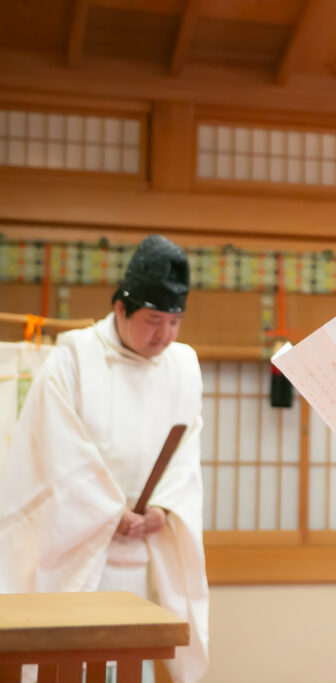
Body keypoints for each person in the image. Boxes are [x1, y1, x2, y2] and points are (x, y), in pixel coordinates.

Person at [0, 235, 209, 683]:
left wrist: (164, 509)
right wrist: (107, 512)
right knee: (72, 660)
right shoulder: (74, 356)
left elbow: (187, 448)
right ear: (120, 309)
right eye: (154, 321)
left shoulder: (183, 364)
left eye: (175, 323)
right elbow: (52, 449)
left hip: (143, 551)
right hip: (78, 545)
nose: (165, 336)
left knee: (132, 659)